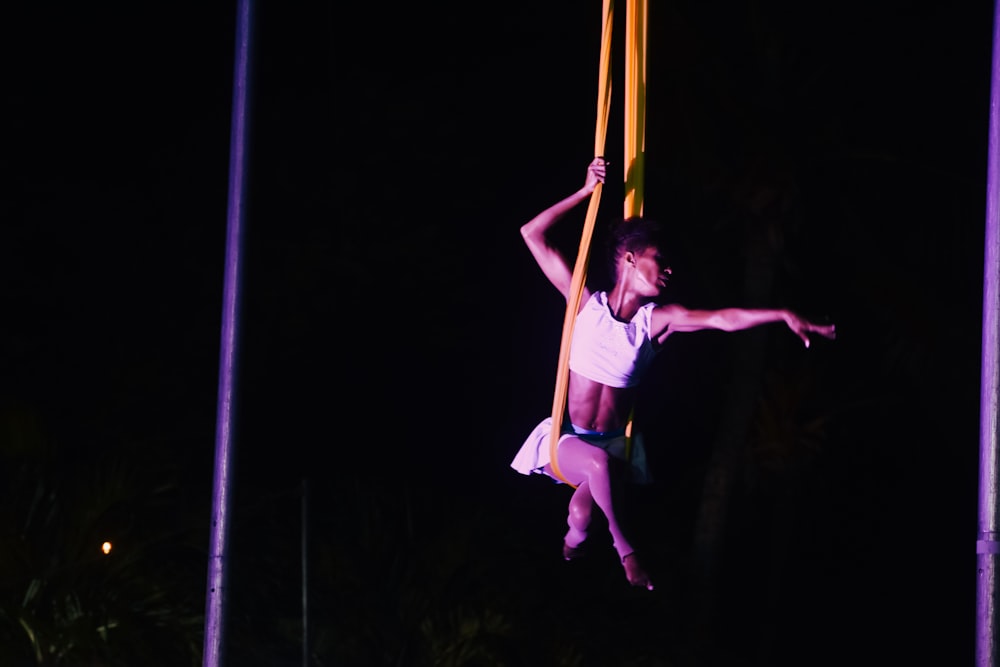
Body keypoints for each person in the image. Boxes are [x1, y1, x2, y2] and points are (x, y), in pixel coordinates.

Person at [511, 157, 836, 591]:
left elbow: (722, 319)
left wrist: (780, 313)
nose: (667, 270)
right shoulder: (583, 304)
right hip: (570, 441)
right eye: (657, 259)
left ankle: (576, 541)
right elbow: (531, 234)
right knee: (588, 484)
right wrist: (585, 192)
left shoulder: (656, 322)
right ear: (629, 259)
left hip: (613, 447)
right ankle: (626, 552)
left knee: (582, 511)